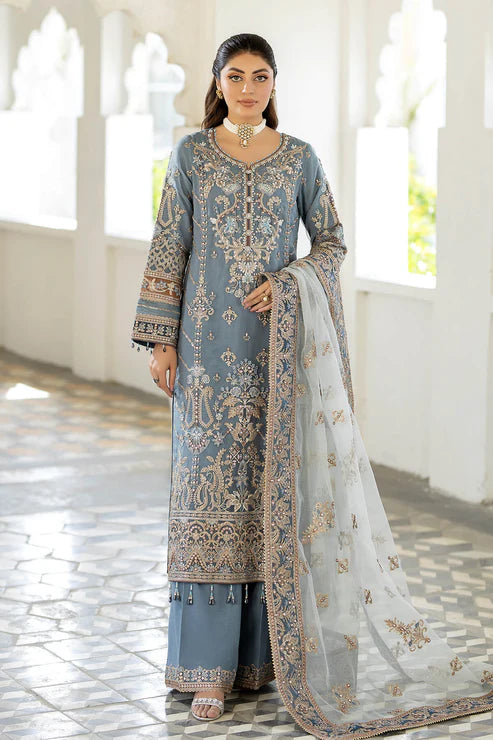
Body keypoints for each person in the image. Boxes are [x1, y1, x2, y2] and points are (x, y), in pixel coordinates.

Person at [131, 32, 493, 737]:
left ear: (273, 84)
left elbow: (330, 242)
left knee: (274, 496)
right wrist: (161, 339)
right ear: (217, 82)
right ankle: (206, 669)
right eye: (236, 76)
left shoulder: (298, 158)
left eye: (260, 77)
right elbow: (169, 243)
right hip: (204, 358)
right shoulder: (190, 155)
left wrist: (289, 281)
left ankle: (263, 660)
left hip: (277, 355)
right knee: (207, 495)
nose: (247, 89)